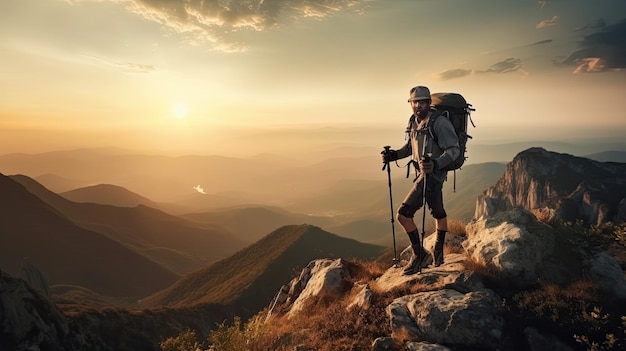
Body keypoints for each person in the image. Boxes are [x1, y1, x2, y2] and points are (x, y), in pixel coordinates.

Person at [381, 85, 460, 275]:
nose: (418, 106)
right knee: (438, 213)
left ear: (429, 102)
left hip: (432, 175)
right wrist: (394, 155)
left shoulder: (439, 123)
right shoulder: (413, 122)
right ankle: (438, 252)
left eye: (422, 102)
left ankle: (420, 256)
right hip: (422, 174)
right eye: (415, 102)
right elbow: (410, 147)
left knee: (403, 214)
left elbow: (454, 150)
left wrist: (435, 163)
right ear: (410, 104)